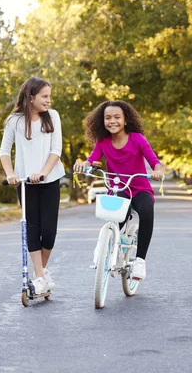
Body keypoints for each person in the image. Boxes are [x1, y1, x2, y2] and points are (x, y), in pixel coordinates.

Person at [73, 100, 164, 281]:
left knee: (146, 210)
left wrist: (158, 171)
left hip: (139, 188)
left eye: (116, 117)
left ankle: (139, 261)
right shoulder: (103, 142)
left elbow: (155, 162)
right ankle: (108, 246)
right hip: (117, 188)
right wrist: (83, 165)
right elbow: (91, 160)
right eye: (107, 118)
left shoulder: (137, 138)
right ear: (102, 121)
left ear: (125, 120)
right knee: (115, 218)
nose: (112, 121)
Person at [0, 77, 65, 294]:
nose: (48, 100)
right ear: (31, 97)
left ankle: (42, 273)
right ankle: (39, 277)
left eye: (50, 96)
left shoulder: (52, 116)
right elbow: (4, 151)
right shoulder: (14, 121)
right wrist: (10, 174)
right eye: (44, 96)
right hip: (25, 183)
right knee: (32, 228)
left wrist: (43, 173)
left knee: (48, 231)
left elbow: (56, 150)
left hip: (50, 179)